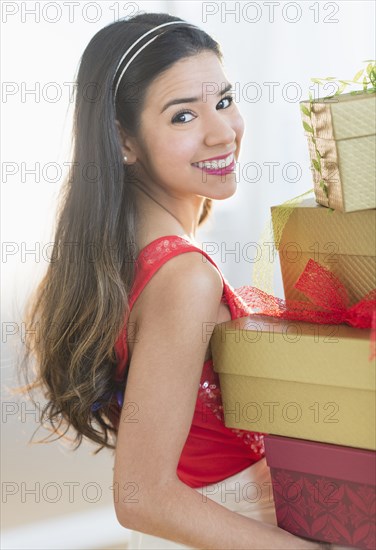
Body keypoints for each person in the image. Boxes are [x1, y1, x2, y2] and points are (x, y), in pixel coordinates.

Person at [20, 11, 338, 550]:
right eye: (182, 117)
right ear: (125, 140)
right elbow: (142, 496)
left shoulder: (125, 257)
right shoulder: (183, 276)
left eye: (223, 100)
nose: (222, 131)